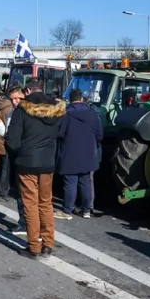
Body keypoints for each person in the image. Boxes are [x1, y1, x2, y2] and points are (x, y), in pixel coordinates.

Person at [6, 78, 65, 259]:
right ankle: (48, 244)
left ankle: (34, 246)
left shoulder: (22, 110)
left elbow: (12, 140)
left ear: (28, 91)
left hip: (27, 162)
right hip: (47, 162)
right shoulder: (57, 110)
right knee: (46, 203)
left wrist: (20, 152)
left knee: (30, 204)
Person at [55, 88, 103, 219]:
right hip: (88, 152)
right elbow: (99, 134)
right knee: (85, 181)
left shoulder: (67, 114)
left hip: (69, 151)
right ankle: (86, 210)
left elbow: (60, 133)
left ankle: (67, 211)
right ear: (81, 98)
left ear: (70, 99)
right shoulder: (93, 113)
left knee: (70, 181)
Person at [4, 86, 27, 234]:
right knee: (19, 191)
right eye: (12, 99)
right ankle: (23, 220)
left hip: (23, 154)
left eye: (18, 98)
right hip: (14, 153)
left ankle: (25, 222)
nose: (15, 101)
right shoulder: (12, 113)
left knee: (25, 192)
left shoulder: (26, 113)